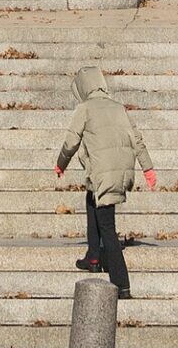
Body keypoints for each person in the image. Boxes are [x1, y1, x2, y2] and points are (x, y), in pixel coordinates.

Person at [54, 64, 155, 296]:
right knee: (92, 200)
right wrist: (148, 169)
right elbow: (137, 139)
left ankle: (122, 283)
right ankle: (93, 257)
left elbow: (71, 141)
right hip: (117, 171)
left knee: (107, 227)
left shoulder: (85, 109)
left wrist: (61, 164)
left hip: (103, 174)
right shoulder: (118, 108)